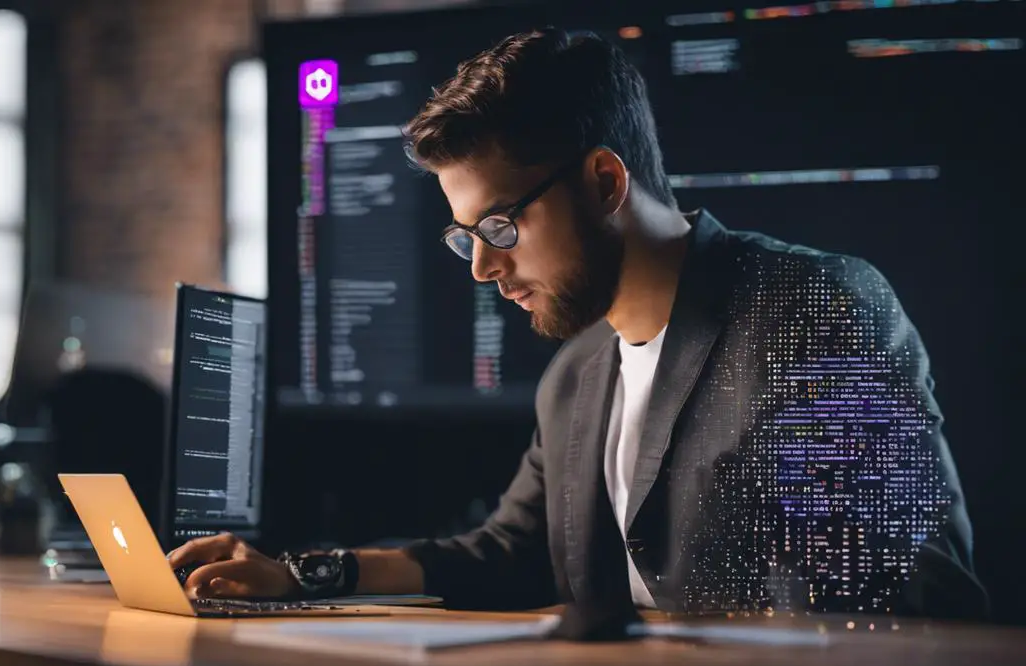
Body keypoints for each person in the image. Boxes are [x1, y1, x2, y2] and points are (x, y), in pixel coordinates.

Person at [169, 29, 986, 619]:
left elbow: (913, 599)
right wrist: (302, 575)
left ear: (602, 181)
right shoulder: (578, 373)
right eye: (466, 239)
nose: (484, 269)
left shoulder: (809, 310)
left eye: (501, 227)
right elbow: (507, 554)